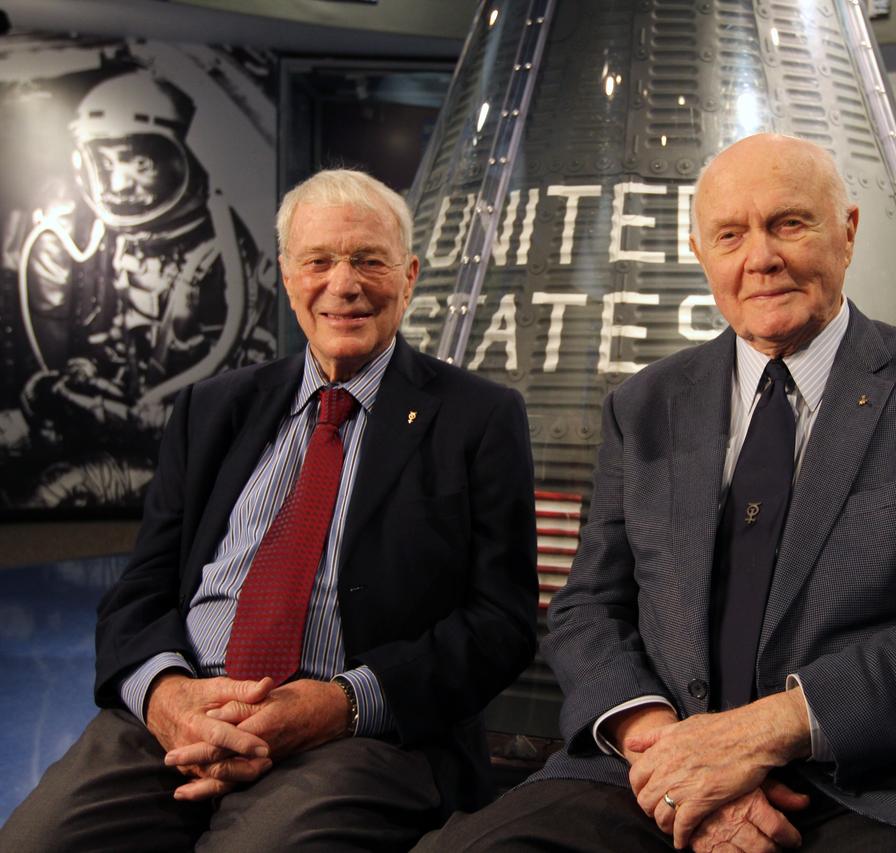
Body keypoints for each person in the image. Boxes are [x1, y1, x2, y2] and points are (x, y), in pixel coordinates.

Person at [421, 133, 896, 852]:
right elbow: (590, 607)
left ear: (848, 230)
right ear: (701, 252)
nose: (761, 258)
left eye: (789, 223)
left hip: (879, 782)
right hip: (654, 768)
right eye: (731, 234)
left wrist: (758, 734)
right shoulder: (645, 404)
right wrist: (671, 753)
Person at [1, 169, 538, 850]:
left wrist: (338, 704)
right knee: (39, 840)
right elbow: (138, 593)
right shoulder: (213, 408)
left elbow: (502, 623)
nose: (343, 283)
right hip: (182, 713)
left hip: (360, 733)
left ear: (408, 276)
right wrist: (167, 698)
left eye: (368, 260)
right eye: (318, 260)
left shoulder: (478, 418)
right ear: (287, 276)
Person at [3, 68, 276, 507]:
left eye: (140, 164)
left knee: (50, 495)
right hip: (114, 426)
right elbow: (99, 344)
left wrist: (131, 419)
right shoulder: (100, 245)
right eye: (105, 164)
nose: (118, 184)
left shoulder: (232, 258)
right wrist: (80, 382)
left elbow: (250, 402)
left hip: (187, 460)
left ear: (183, 157)